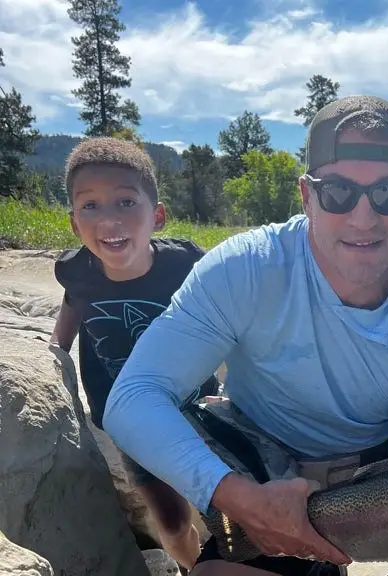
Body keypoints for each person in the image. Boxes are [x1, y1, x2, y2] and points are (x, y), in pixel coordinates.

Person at [101, 95, 388, 576]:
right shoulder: (244, 270)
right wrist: (240, 499)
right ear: (307, 196)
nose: (363, 217)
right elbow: (132, 397)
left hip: (379, 466)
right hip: (265, 458)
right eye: (338, 192)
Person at [49, 137, 219, 570]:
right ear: (73, 223)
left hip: (198, 411)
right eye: (90, 206)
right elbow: (67, 320)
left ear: (157, 216)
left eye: (126, 202)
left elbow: (227, 321)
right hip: (129, 423)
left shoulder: (185, 265)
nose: (109, 220)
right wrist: (54, 355)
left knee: (224, 507)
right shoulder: (79, 272)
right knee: (173, 522)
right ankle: (191, 568)